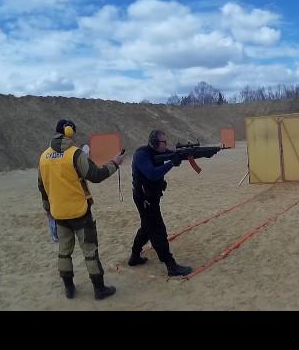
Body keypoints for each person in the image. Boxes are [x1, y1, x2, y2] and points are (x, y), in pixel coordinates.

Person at [38, 119, 125, 300]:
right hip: (79, 212)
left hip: (58, 213)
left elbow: (42, 186)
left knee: (64, 251)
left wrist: (48, 209)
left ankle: (69, 289)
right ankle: (99, 289)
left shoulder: (43, 157)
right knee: (90, 251)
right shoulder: (75, 154)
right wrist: (115, 164)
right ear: (69, 132)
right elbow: (95, 175)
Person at [128, 130, 193, 277]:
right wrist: (172, 163)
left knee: (147, 227)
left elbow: (175, 154)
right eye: (164, 142)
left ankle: (134, 256)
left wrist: (189, 153)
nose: (166, 144)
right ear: (156, 143)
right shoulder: (141, 154)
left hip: (152, 197)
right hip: (144, 198)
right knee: (157, 229)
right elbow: (152, 173)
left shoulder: (158, 152)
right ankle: (171, 265)